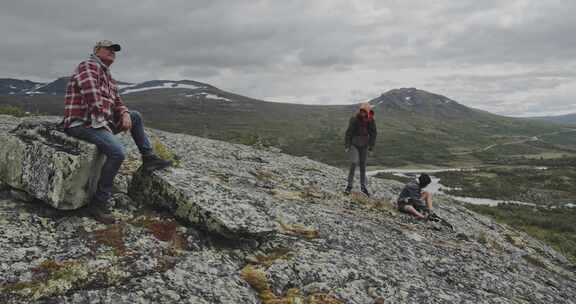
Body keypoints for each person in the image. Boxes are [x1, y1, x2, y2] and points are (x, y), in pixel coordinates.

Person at [63, 40, 171, 219]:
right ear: (97, 51)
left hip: (99, 123)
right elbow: (92, 97)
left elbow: (118, 102)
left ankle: (148, 158)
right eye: (109, 49)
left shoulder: (108, 76)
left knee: (135, 116)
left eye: (115, 51)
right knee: (118, 152)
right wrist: (107, 125)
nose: (113, 52)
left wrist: (125, 114)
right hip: (81, 124)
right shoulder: (88, 66)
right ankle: (98, 203)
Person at [344, 102, 377, 196]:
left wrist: (371, 146)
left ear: (368, 112)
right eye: (361, 111)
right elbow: (349, 132)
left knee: (363, 165)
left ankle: (363, 187)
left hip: (365, 145)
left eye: (364, 111)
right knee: (354, 162)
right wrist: (347, 145)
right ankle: (349, 186)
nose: (363, 113)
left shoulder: (371, 120)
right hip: (354, 144)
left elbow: (373, 133)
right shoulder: (354, 119)